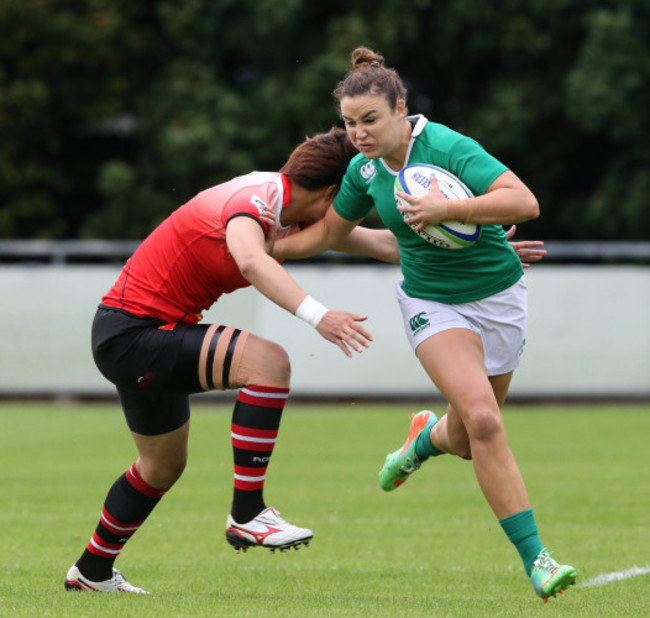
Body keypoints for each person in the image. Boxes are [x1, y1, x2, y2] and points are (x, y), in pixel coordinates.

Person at [272, 47, 575, 602]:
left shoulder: (447, 146)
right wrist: (268, 247)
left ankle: (422, 443)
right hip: (431, 303)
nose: (359, 134)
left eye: (370, 120)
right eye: (349, 123)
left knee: (464, 437)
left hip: (500, 299)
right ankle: (539, 560)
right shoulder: (364, 172)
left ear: (400, 109)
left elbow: (522, 201)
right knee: (483, 419)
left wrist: (449, 211)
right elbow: (334, 233)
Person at [64, 127, 404, 594]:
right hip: (134, 334)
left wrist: (482, 252)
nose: (350, 212)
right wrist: (319, 316)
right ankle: (247, 514)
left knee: (161, 467)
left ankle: (91, 572)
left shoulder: (292, 213)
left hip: (137, 334)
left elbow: (387, 245)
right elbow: (251, 261)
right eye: (351, 200)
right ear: (331, 193)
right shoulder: (256, 199)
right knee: (269, 364)